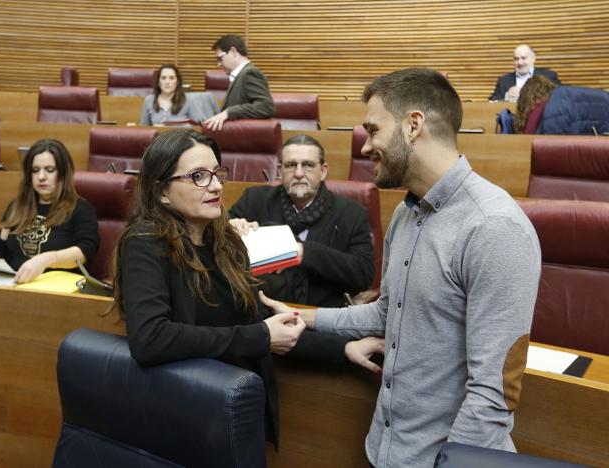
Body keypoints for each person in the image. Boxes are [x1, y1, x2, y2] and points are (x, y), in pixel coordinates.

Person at [261, 68, 542, 467]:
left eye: (373, 130)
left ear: (413, 125)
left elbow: (492, 395)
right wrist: (303, 318)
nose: (364, 147)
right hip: (383, 451)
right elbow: (385, 311)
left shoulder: (495, 226)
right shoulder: (405, 215)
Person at [109, 129, 354, 447]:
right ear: (161, 192)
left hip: (238, 409)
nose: (215, 185)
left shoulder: (228, 242)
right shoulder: (145, 242)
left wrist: (343, 349)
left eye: (216, 173)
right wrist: (261, 336)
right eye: (198, 176)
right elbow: (151, 339)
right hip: (185, 414)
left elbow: (262, 326)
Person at [229, 134, 375, 307]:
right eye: (291, 166)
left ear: (323, 171)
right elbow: (218, 252)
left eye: (308, 165)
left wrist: (303, 252)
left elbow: (363, 275)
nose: (298, 173)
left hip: (320, 317)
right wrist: (230, 231)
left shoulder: (351, 213)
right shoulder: (253, 200)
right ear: (279, 171)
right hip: (260, 312)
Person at [0, 139, 99, 283]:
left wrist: (48, 259)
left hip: (57, 290)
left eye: (49, 170)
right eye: (35, 170)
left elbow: (86, 251)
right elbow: (1, 253)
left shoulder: (81, 209)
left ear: (63, 173)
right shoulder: (17, 206)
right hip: (14, 285)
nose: (41, 177)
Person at [204, 34, 275, 131]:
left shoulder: (249, 73)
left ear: (233, 51)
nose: (219, 64)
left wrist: (228, 112)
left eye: (220, 58)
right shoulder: (240, 75)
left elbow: (266, 107)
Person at [140, 64, 219, 126]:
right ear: (158, 82)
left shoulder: (189, 100)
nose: (167, 82)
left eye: (171, 78)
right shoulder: (149, 100)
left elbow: (199, 127)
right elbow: (144, 130)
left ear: (177, 82)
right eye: (163, 78)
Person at [489, 44, 560, 102]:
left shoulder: (548, 76)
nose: (520, 62)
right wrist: (506, 97)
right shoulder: (504, 81)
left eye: (523, 58)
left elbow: (560, 98)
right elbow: (491, 102)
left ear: (533, 58)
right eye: (516, 59)